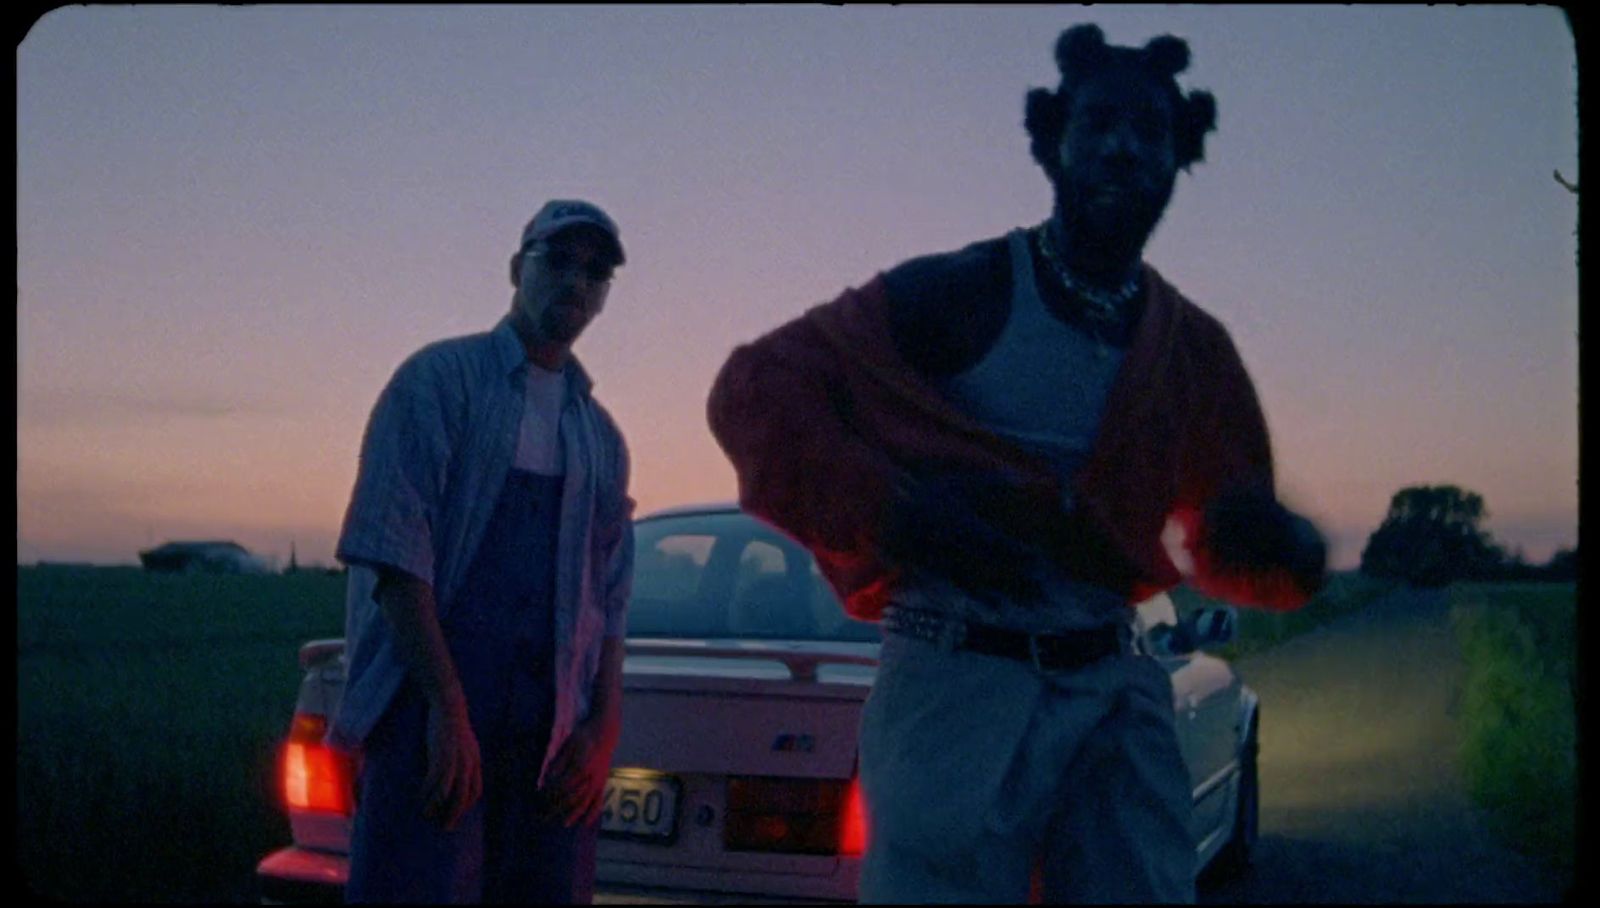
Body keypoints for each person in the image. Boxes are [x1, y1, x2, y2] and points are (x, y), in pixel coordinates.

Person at [706, 24, 1326, 904]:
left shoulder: (1193, 351)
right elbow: (755, 389)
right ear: (1050, 142)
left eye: (1151, 131)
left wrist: (1280, 546)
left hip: (1113, 680)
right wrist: (899, 513)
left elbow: (1227, 534)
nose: (1122, 147)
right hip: (955, 676)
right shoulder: (961, 291)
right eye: (1099, 122)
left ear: (1180, 156)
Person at [330, 199, 636, 904]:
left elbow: (608, 596)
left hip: (550, 735)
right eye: (556, 260)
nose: (576, 282)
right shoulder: (437, 383)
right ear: (514, 268)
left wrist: (603, 728)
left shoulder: (601, 437)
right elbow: (395, 555)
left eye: (596, 271)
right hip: (429, 717)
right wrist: (446, 709)